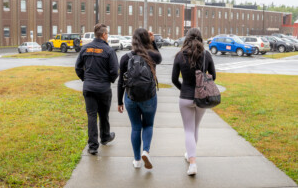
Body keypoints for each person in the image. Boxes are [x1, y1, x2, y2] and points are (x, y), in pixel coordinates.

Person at [171, 28, 216, 176]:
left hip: (185, 97)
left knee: (188, 130)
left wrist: (183, 89)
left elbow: (173, 79)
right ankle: (191, 157)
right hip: (201, 98)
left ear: (187, 38)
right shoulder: (206, 55)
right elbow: (213, 76)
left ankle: (192, 162)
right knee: (195, 128)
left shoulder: (179, 55)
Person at [117, 28, 162, 169]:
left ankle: (136, 160)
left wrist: (119, 101)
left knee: (136, 128)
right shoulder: (152, 56)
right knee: (148, 125)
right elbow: (159, 58)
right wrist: (153, 42)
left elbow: (121, 81)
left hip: (131, 98)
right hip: (149, 97)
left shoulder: (126, 57)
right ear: (146, 39)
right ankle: (146, 151)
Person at [75, 24, 119, 155]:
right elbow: (114, 71)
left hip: (89, 87)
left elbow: (78, 68)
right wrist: (108, 81)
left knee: (92, 115)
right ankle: (105, 137)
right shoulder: (109, 51)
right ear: (104, 35)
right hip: (103, 88)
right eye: (108, 34)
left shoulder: (85, 49)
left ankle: (93, 146)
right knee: (104, 114)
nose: (108, 36)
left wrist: (85, 79)